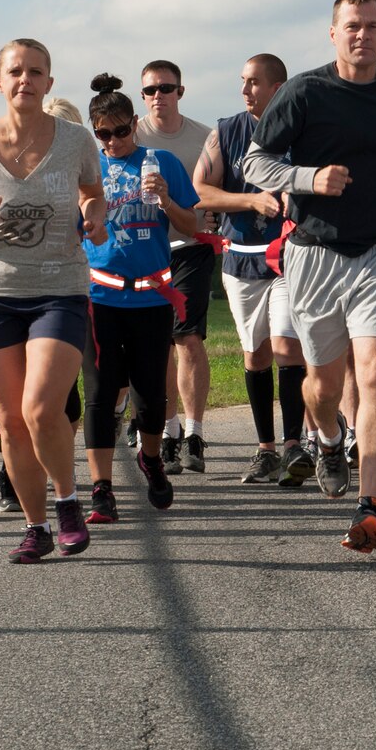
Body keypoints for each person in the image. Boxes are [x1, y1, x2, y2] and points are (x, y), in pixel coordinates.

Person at [242, 0, 376, 553]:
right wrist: (308, 179)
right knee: (324, 384)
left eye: (373, 25)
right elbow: (255, 162)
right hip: (315, 252)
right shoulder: (304, 92)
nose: (363, 35)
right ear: (333, 33)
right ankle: (329, 439)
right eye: (352, 25)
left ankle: (370, 506)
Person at [0, 40, 105, 562]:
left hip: (60, 287)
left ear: (49, 83)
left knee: (41, 408)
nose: (25, 80)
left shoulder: (77, 139)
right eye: (15, 72)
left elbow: (91, 190)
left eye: (35, 72)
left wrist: (94, 213)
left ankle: (67, 503)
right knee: (10, 421)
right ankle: (35, 526)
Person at [81, 74, 196, 523]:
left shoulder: (160, 161)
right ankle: (101, 488)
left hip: (151, 297)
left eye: (121, 130)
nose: (113, 141)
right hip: (100, 297)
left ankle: (150, 459)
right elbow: (72, 230)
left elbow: (190, 226)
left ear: (135, 123)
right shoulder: (88, 169)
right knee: (99, 393)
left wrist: (166, 200)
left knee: (151, 396)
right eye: (103, 134)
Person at [193, 54, 312, 486]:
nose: (245, 91)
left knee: (285, 346)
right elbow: (201, 190)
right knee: (256, 352)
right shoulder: (226, 131)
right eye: (243, 81)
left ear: (278, 88)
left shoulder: (303, 130)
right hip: (241, 257)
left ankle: (295, 446)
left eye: (255, 82)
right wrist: (250, 201)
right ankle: (265, 450)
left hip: (289, 256)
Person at [133, 59, 214, 474]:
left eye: (166, 88)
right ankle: (169, 429)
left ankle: (196, 430)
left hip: (189, 246)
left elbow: (220, 186)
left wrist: (215, 217)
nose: (157, 96)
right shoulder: (131, 135)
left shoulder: (204, 136)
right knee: (157, 345)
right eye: (149, 90)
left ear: (181, 91)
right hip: (144, 253)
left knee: (188, 339)